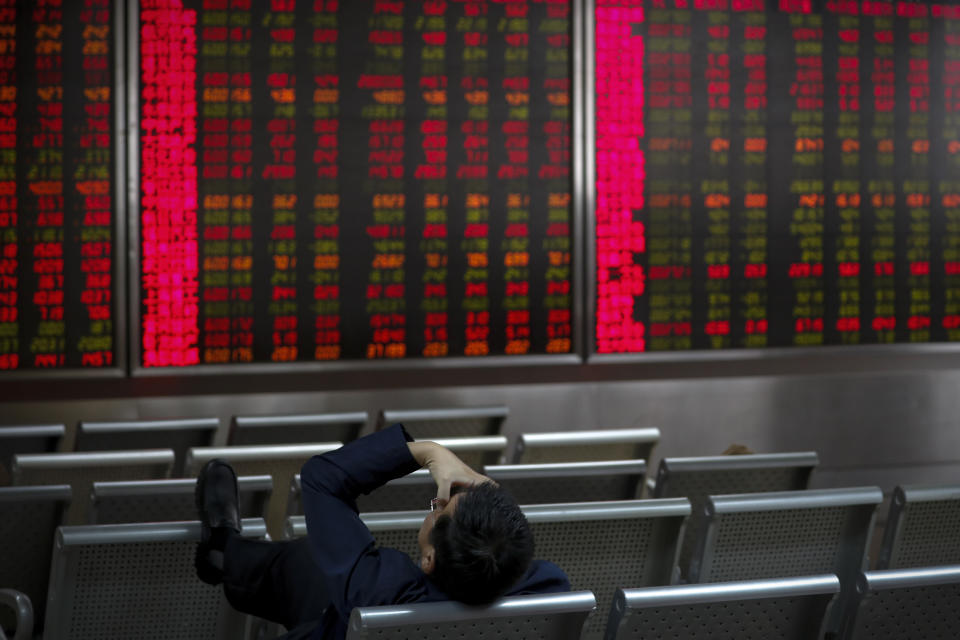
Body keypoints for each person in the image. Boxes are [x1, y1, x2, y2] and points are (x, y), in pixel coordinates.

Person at [193, 423, 570, 639]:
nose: (436, 503)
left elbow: (322, 479)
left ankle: (225, 549)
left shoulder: (378, 593)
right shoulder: (547, 592)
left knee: (306, 568)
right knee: (306, 556)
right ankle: (225, 549)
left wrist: (428, 452)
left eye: (437, 509)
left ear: (428, 559)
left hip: (332, 631)